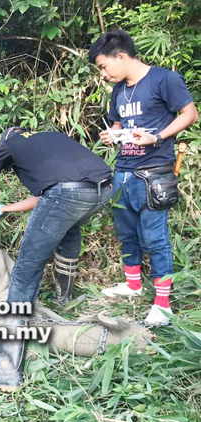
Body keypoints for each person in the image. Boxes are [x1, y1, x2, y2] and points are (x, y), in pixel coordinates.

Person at [0, 127, 113, 391]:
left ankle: (7, 371)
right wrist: (4, 209)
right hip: (102, 189)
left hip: (66, 194)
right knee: (69, 232)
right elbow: (48, 194)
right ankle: (65, 299)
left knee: (24, 274)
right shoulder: (50, 138)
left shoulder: (9, 144)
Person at [89, 30, 198, 324]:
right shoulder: (119, 91)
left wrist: (157, 137)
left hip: (155, 172)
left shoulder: (164, 79)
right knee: (127, 232)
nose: (103, 73)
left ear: (120, 56)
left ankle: (162, 305)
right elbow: (118, 123)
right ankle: (134, 285)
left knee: (155, 237)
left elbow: (190, 114)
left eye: (103, 66)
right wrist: (113, 134)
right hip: (124, 170)